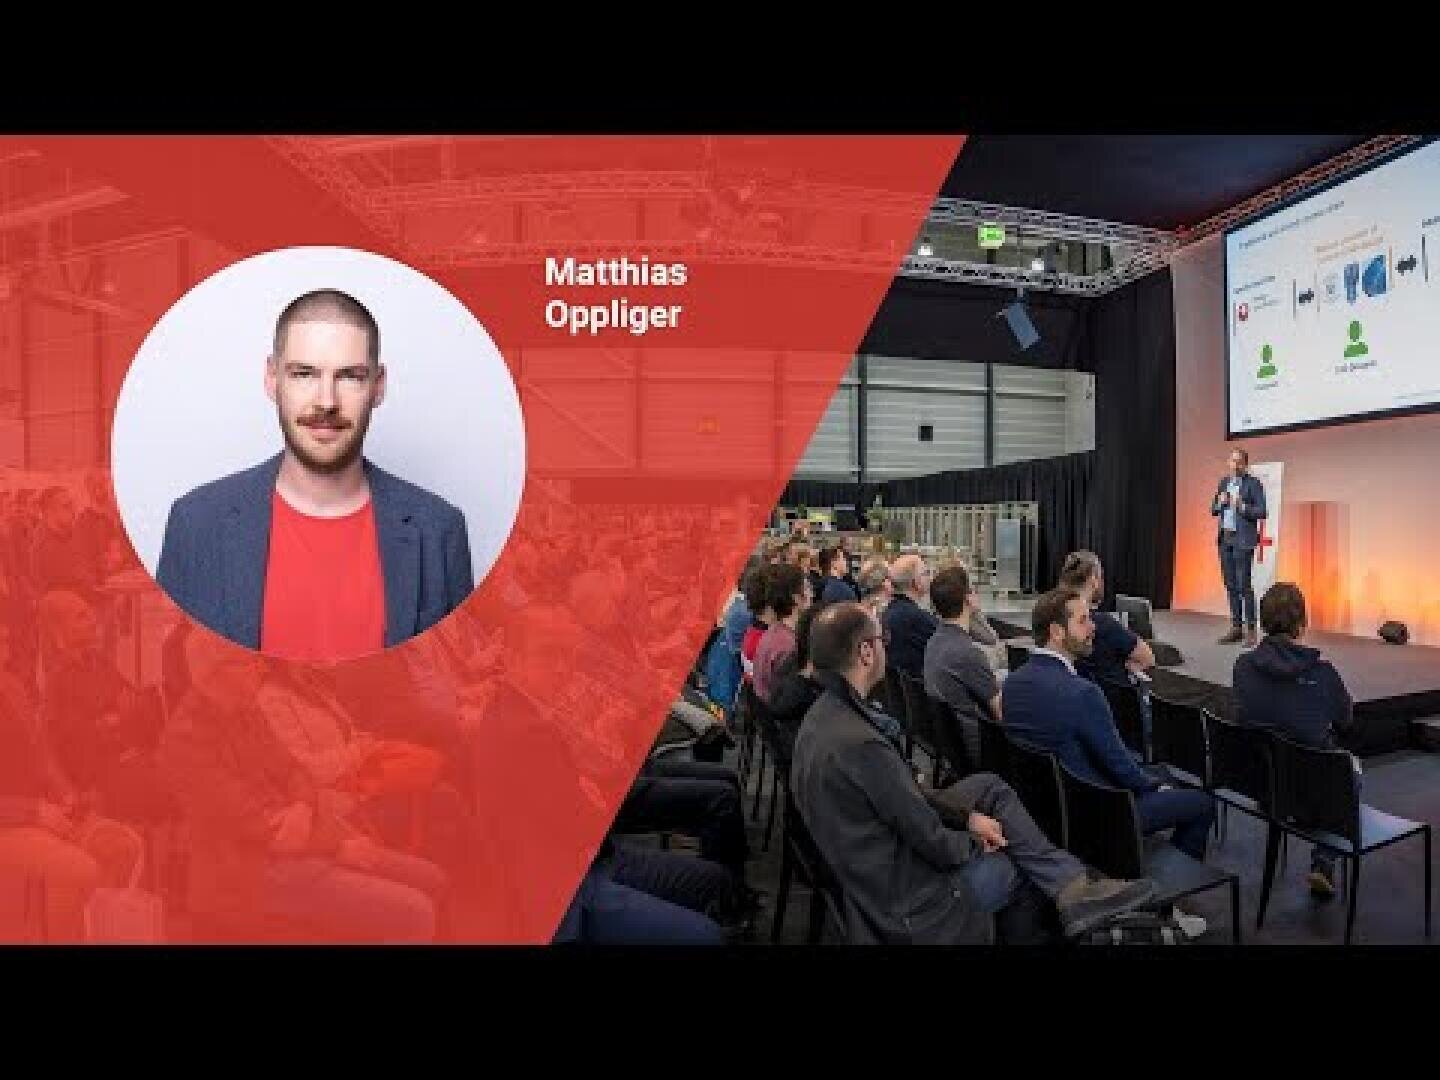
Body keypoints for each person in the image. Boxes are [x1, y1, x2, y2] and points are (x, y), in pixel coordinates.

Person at [790, 602, 1156, 943]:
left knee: (990, 789)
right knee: (1011, 864)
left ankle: (1072, 887)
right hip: (909, 903)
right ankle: (1068, 894)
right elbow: (930, 838)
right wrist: (975, 843)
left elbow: (901, 799)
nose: (887, 647)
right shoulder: (860, 744)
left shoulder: (824, 717)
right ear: (866, 653)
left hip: (871, 875)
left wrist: (966, 818)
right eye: (882, 640)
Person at [156, 289, 473, 662]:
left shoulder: (438, 531)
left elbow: (456, 691)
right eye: (304, 374)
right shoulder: (196, 524)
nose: (326, 401)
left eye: (351, 376)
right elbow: (176, 695)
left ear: (378, 386)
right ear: (273, 379)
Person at [1002, 590, 1216, 873]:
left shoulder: (1013, 684)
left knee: (1161, 775)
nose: (1093, 628)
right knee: (1201, 803)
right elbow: (1121, 768)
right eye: (1083, 621)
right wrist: (1154, 786)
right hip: (1101, 811)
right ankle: (1163, 902)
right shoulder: (1083, 693)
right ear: (1056, 632)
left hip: (1044, 808)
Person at [1233, 582, 1357, 898]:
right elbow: (1346, 721)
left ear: (1262, 622)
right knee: (1348, 769)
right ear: (1302, 625)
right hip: (1312, 794)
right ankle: (1323, 861)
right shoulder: (1324, 674)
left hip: (1260, 785)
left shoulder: (1243, 667)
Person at [923, 564, 997, 770]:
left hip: (953, 747)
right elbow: (1001, 712)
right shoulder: (967, 654)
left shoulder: (934, 642)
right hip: (979, 750)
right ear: (968, 598)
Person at [1210, 447, 1267, 647]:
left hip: (1243, 540)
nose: (1234, 465)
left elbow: (1262, 511)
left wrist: (1241, 506)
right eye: (1231, 461)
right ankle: (1236, 627)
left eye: (1238, 461)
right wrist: (1220, 502)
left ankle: (1251, 630)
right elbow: (1213, 509)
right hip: (1225, 539)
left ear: (1244, 465)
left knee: (1244, 586)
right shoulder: (1224, 483)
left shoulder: (1253, 484)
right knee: (1230, 585)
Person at [752, 563, 810, 703]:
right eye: (807, 587)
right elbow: (788, 699)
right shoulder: (788, 644)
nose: (811, 592)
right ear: (796, 598)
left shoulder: (773, 632)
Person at [881, 553, 937, 680]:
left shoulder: (889, 612)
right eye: (926, 572)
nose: (930, 577)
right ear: (916, 583)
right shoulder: (916, 618)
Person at [816, 544, 858, 609]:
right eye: (843, 558)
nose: (847, 562)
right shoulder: (842, 589)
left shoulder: (823, 583)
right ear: (833, 562)